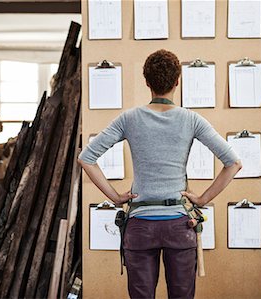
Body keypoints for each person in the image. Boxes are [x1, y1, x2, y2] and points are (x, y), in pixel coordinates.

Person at [78, 49, 242, 299]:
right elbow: (234, 163)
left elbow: (86, 158)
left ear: (147, 82)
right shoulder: (191, 120)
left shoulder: (129, 119)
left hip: (140, 226)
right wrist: (202, 199)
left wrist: (114, 196)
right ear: (177, 81)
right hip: (180, 225)